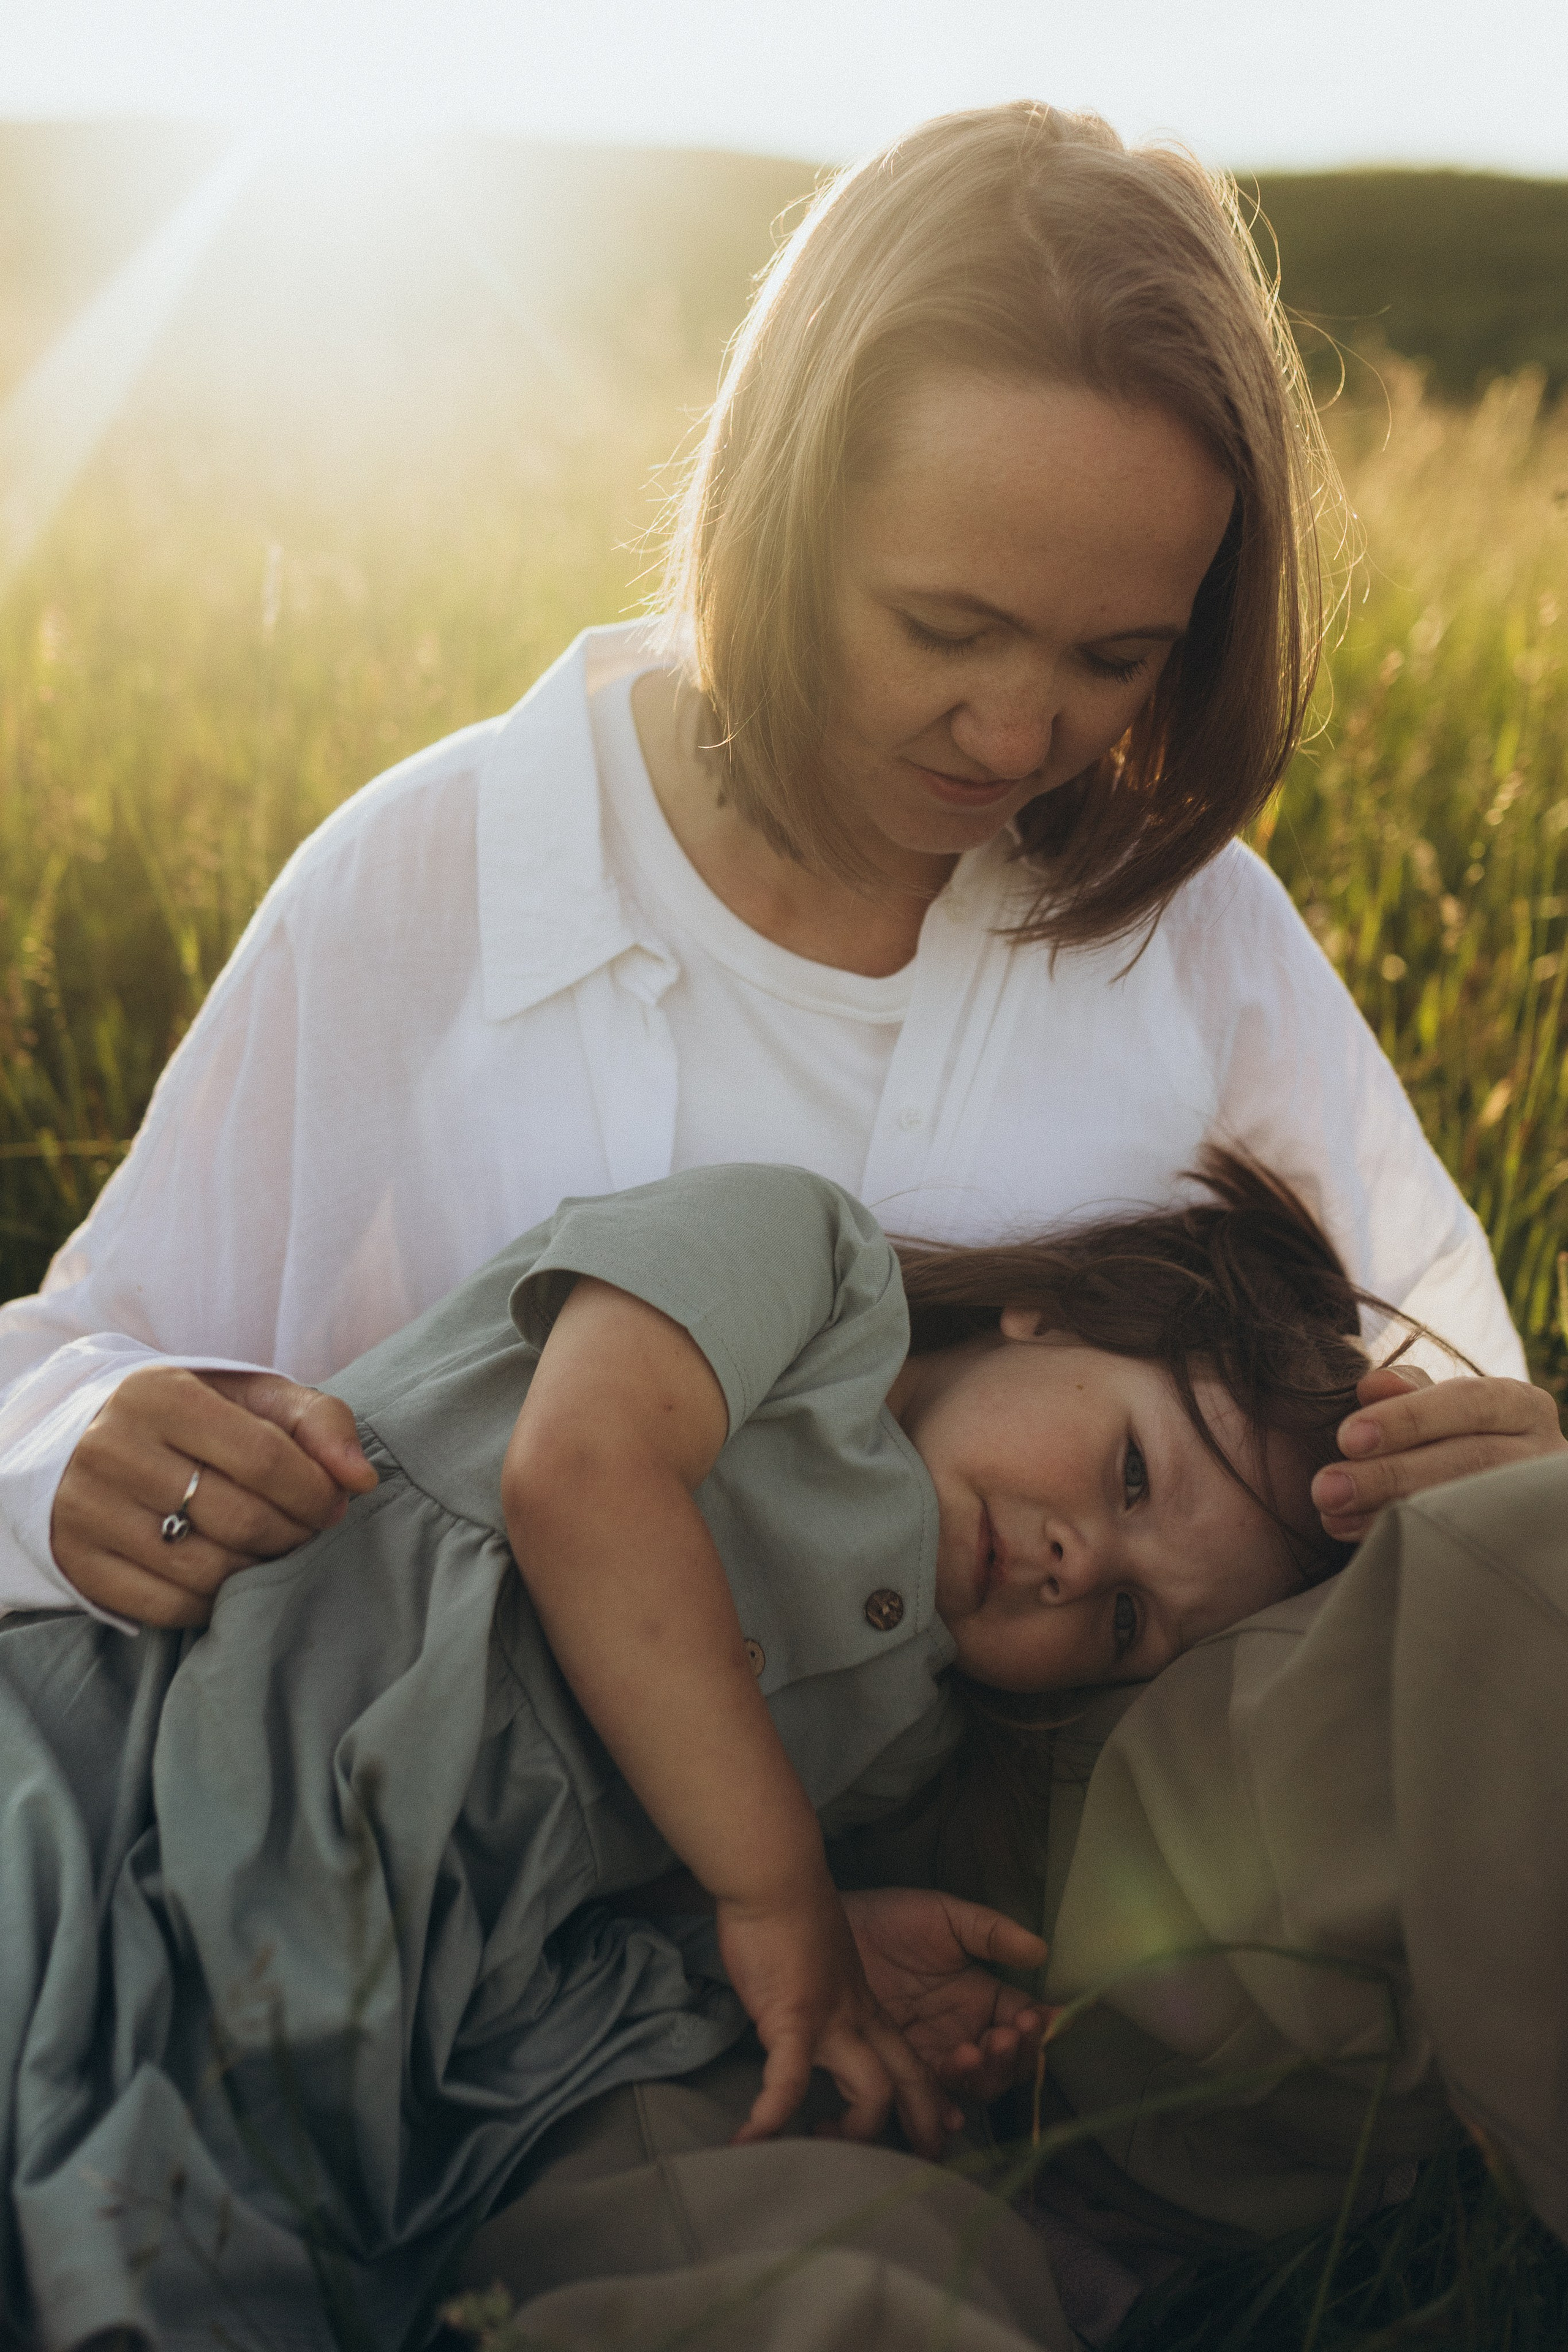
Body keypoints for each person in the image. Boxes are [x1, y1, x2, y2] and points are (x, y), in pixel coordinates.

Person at [0, 104, 1534, 1646]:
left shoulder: (1191, 934)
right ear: (776, 516)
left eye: (1112, 658)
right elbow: (76, 1358)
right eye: (943, 628)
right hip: (421, 1785)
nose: (1014, 734)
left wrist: (1506, 1488)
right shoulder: (435, 875)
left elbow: (1442, 1417)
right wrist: (78, 1458)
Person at [16, 1152, 1552, 2350]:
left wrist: (803, 1934)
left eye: (1126, 1623)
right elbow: (581, 1472)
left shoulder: (896, 1737)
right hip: (181, 1761)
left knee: (185, 2260)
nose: (1077, 1562)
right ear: (1053, 1311)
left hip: (364, 1990)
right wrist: (778, 1893)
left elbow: (613, 1876)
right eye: (1130, 1474)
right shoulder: (807, 1268)